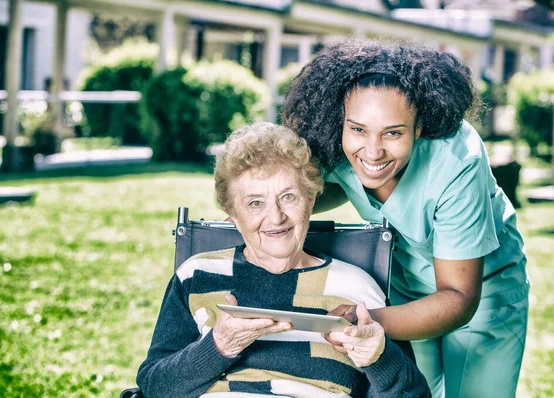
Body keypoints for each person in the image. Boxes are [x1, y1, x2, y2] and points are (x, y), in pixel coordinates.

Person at [281, 39, 529, 398]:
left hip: (482, 291)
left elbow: (458, 296)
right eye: (359, 129)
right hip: (405, 287)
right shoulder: (338, 141)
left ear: (419, 127)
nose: (372, 150)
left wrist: (363, 322)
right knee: (412, 392)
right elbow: (333, 185)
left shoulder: (456, 162)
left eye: (393, 133)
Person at [136, 122, 430, 398]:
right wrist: (219, 346)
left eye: (288, 197)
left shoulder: (359, 290)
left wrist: (378, 358)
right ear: (233, 214)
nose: (275, 217)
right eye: (255, 203)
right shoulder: (197, 274)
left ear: (311, 200)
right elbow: (154, 387)